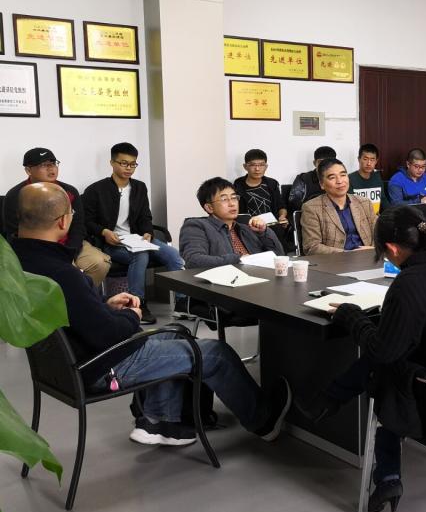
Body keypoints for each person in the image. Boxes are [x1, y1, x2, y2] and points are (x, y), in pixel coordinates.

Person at [12, 182, 291, 446]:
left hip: (65, 364)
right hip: (101, 365)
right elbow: (110, 334)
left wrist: (104, 305)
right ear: (63, 221)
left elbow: (72, 312)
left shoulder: (18, 263)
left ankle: (162, 423)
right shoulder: (63, 272)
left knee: (177, 334)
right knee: (216, 354)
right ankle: (263, 421)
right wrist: (132, 315)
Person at [296, 205, 426, 512]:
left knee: (388, 367)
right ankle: (331, 401)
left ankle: (384, 470)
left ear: (392, 248)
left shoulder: (411, 282)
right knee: (396, 358)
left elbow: (381, 351)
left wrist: (351, 316)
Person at [82, 142, 184, 325]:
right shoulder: (96, 190)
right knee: (140, 255)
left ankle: (183, 304)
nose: (129, 168)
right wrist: (104, 232)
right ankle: (137, 304)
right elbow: (86, 221)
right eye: (124, 163)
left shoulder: (139, 187)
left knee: (173, 255)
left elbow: (145, 215)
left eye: (133, 164)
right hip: (111, 242)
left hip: (137, 239)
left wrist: (147, 232)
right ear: (112, 163)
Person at [2, 147, 110, 287]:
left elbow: (78, 227)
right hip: (37, 250)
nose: (51, 169)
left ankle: (84, 294)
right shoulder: (16, 195)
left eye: (53, 163)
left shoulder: (69, 191)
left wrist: (69, 252)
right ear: (28, 170)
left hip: (70, 245)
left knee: (100, 263)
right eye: (44, 165)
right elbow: (14, 232)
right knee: (65, 273)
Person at [180, 177, 283, 269]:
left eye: (234, 198)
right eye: (224, 199)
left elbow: (279, 256)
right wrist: (239, 259)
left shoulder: (246, 228)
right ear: (209, 207)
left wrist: (263, 232)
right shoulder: (196, 226)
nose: (232, 203)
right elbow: (194, 260)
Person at [300, 159, 376, 254]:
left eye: (343, 175)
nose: (339, 181)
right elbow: (312, 247)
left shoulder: (364, 203)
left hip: (368, 257)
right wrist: (347, 254)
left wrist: (372, 249)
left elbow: (379, 234)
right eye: (332, 177)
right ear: (322, 184)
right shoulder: (311, 208)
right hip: (335, 261)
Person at [233, 148, 291, 253]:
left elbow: (281, 206)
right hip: (249, 229)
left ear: (266, 166)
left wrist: (282, 216)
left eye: (261, 165)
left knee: (279, 248)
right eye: (253, 165)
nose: (257, 169)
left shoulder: (272, 184)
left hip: (272, 228)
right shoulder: (238, 185)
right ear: (245, 166)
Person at [288, 145, 336, 214]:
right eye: (320, 162)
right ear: (314, 163)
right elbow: (293, 204)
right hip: (309, 215)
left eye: (328, 162)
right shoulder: (303, 179)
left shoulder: (339, 179)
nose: (324, 166)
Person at [348, 143, 389, 214]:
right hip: (358, 218)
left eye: (372, 160)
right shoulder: (350, 179)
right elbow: (349, 205)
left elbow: (383, 199)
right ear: (359, 159)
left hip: (376, 217)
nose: (369, 163)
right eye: (365, 159)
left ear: (376, 161)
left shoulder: (377, 177)